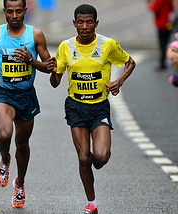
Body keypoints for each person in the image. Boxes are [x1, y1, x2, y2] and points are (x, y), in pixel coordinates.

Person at [47, 4, 136, 214]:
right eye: (80, 22)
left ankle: (96, 161)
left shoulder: (107, 45)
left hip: (99, 107)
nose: (84, 26)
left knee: (102, 156)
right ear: (74, 23)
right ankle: (92, 203)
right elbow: (54, 82)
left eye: (89, 22)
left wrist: (119, 82)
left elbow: (130, 62)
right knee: (83, 157)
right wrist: (53, 71)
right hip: (76, 106)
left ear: (96, 23)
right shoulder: (65, 47)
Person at [0, 0, 51, 208]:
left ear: (25, 11)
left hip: (26, 95)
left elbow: (50, 66)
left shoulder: (36, 35)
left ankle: (20, 183)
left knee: (22, 144)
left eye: (19, 11)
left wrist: (31, 61)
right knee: (5, 135)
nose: (14, 15)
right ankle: (5, 159)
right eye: (10, 11)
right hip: (3, 93)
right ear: (4, 12)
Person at [147, 0, 173, 71]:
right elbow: (171, 8)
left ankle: (162, 64)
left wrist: (149, 5)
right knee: (167, 43)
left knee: (162, 45)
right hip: (168, 22)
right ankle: (167, 62)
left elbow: (155, 9)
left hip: (161, 23)